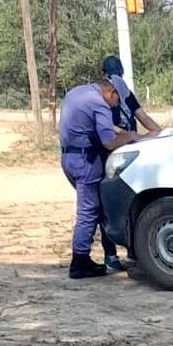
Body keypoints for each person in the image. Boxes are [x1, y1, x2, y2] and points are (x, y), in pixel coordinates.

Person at [59, 78, 139, 278]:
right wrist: (131, 137)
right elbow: (109, 142)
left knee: (91, 208)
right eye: (116, 102)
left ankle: (88, 257)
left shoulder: (76, 92)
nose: (114, 108)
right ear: (111, 93)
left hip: (68, 158)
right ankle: (79, 263)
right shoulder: (99, 103)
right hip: (86, 160)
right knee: (89, 210)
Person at [101, 55, 162, 136]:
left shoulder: (127, 94)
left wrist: (161, 133)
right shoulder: (99, 98)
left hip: (129, 140)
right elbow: (106, 126)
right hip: (113, 143)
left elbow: (143, 117)